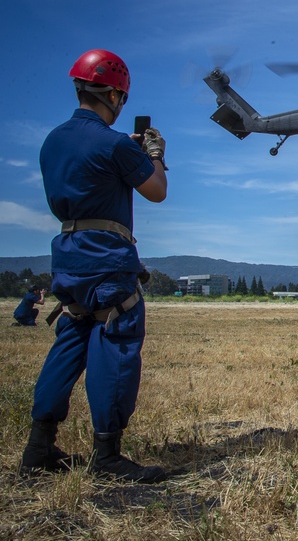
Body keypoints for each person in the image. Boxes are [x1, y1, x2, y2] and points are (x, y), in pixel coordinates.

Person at [20, 49, 169, 482]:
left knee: (70, 337)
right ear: (115, 95)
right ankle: (107, 455)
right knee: (116, 337)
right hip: (107, 255)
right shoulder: (117, 145)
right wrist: (155, 154)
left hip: (67, 253)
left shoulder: (53, 141)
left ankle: (38, 446)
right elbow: (156, 190)